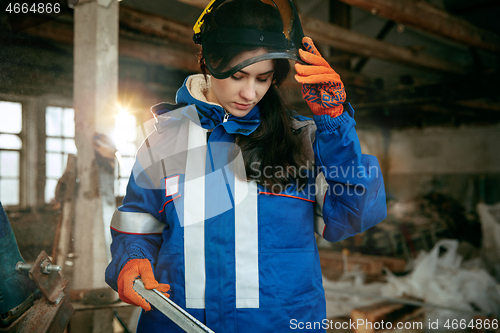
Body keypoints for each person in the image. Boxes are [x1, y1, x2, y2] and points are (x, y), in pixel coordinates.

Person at [105, 0, 387, 332]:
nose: (250, 93)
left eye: (263, 78)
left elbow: (354, 214)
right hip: (179, 324)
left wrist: (336, 126)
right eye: (239, 76)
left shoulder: (301, 141)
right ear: (209, 63)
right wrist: (132, 257)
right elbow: (139, 221)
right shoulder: (165, 141)